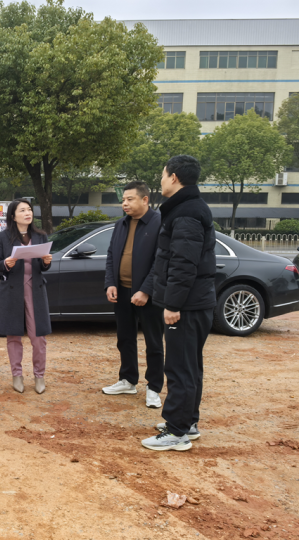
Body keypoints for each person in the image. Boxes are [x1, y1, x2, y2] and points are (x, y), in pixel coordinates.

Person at [141, 155, 216, 452]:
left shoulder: (186, 212)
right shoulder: (188, 208)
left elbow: (183, 264)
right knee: (189, 366)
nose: (160, 180)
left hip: (186, 306)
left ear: (174, 177)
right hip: (193, 303)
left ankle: (177, 432)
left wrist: (172, 305)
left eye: (162, 175)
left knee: (179, 367)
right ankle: (187, 423)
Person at [102, 181, 164, 408]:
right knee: (125, 338)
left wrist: (146, 290)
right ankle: (128, 380)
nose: (125, 204)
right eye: (123, 200)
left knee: (153, 343)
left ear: (145, 199)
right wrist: (110, 283)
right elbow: (111, 255)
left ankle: (154, 387)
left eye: (130, 199)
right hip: (122, 291)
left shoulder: (159, 223)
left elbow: (161, 261)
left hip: (149, 294)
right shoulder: (121, 224)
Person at [0, 199, 53, 394]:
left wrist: (46, 261)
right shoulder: (3, 237)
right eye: (22, 210)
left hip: (35, 290)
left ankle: (39, 376)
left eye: (29, 210)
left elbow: (44, 267)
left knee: (38, 337)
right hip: (13, 290)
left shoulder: (40, 236)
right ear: (13, 216)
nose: (28, 213)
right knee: (13, 335)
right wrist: (6, 263)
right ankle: (16, 375)